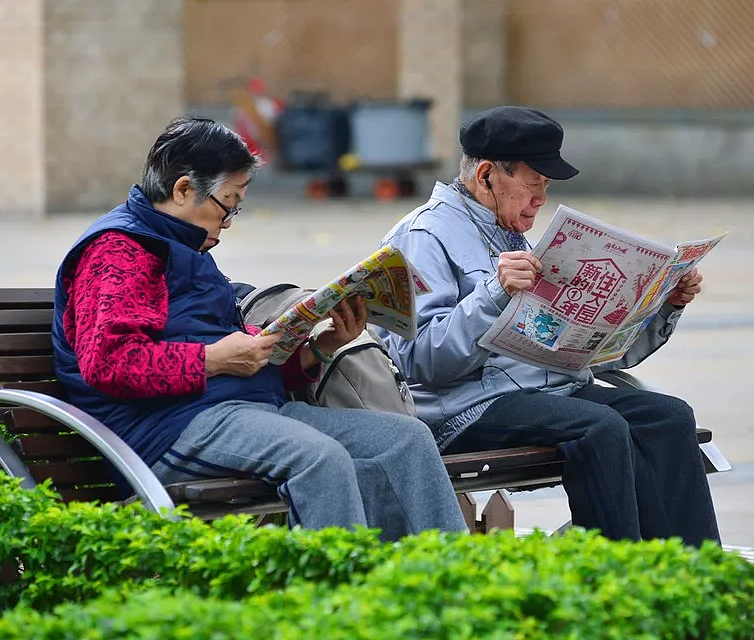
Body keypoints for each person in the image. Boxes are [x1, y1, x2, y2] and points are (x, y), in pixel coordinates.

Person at [51, 117, 467, 540]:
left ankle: (439, 586)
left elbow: (233, 362)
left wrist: (318, 347)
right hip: (166, 429)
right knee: (318, 458)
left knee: (406, 440)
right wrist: (214, 358)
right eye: (226, 202)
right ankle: (342, 599)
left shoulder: (185, 246)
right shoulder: (118, 251)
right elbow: (109, 363)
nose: (229, 221)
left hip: (247, 411)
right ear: (181, 190)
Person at [378, 106, 719, 546]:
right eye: (534, 184)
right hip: (467, 407)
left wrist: (662, 306)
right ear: (486, 176)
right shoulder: (423, 236)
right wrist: (494, 295)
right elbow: (420, 360)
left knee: (668, 417)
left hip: (545, 390)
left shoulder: (508, 232)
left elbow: (601, 355)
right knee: (599, 427)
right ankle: (615, 578)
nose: (541, 199)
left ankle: (693, 575)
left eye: (546, 187)